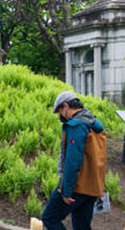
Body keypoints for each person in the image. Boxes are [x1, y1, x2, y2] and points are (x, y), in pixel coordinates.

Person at [42, 91, 106, 230]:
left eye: (60, 110)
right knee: (82, 226)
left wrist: (66, 191)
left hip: (78, 185)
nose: (61, 115)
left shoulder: (76, 125)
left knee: (49, 218)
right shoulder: (93, 123)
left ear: (66, 106)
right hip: (93, 186)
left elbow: (73, 160)